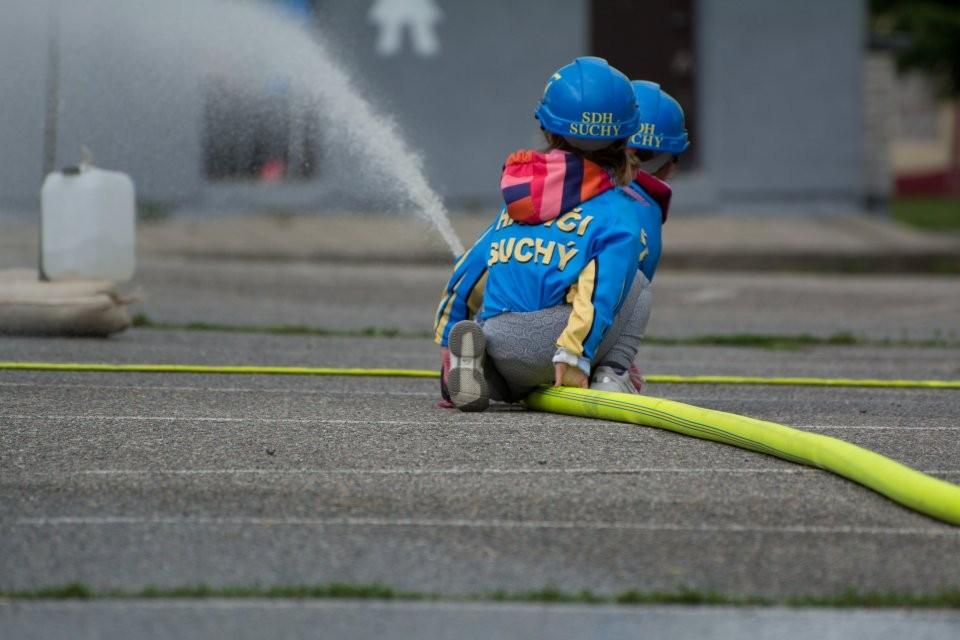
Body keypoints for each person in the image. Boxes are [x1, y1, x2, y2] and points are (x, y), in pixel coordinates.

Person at [434, 58, 663, 411]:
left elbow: (472, 268)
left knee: (502, 368)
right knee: (634, 284)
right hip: (548, 346)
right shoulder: (619, 212)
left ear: (547, 129)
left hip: (496, 336)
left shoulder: (519, 199)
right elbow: (600, 288)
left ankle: (474, 366)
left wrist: (451, 332)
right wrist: (575, 355)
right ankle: (611, 375)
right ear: (626, 139)